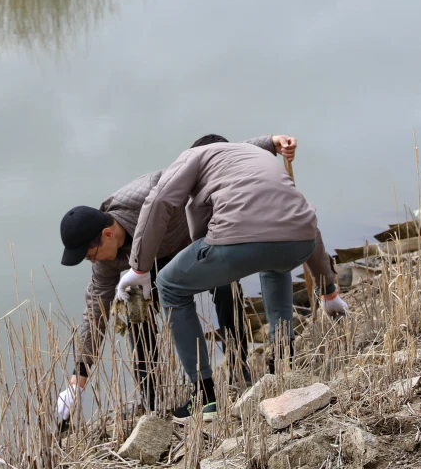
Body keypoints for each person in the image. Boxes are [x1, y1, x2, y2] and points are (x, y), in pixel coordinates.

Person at [54, 134, 298, 425]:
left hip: (193, 246)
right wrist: (76, 382)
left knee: (226, 288)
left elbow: (213, 157)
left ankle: (237, 364)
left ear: (107, 235)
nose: (91, 262)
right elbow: (95, 314)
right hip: (145, 271)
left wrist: (270, 143)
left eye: (89, 255)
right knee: (135, 313)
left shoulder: (150, 191)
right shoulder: (105, 261)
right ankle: (153, 403)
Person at [114, 136, 347, 421]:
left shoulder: (194, 157)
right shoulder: (250, 156)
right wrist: (329, 291)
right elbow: (306, 225)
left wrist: (139, 268)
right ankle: (283, 364)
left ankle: (205, 396)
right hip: (300, 241)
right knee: (276, 260)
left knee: (169, 284)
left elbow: (160, 200)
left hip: (236, 242)